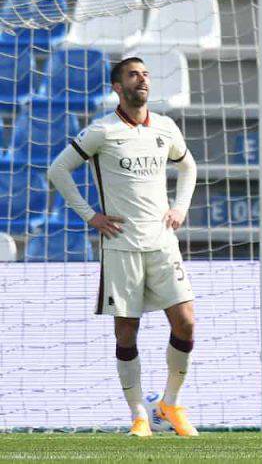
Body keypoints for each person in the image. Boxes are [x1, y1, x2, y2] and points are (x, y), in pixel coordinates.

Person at [47, 57, 199, 438]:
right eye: (134, 75)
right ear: (118, 86)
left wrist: (179, 207)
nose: (142, 79)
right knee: (126, 333)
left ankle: (170, 403)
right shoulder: (103, 131)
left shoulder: (165, 127)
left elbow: (188, 166)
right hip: (122, 247)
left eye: (146, 74)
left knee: (186, 321)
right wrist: (90, 215)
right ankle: (138, 416)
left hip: (163, 243)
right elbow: (57, 171)